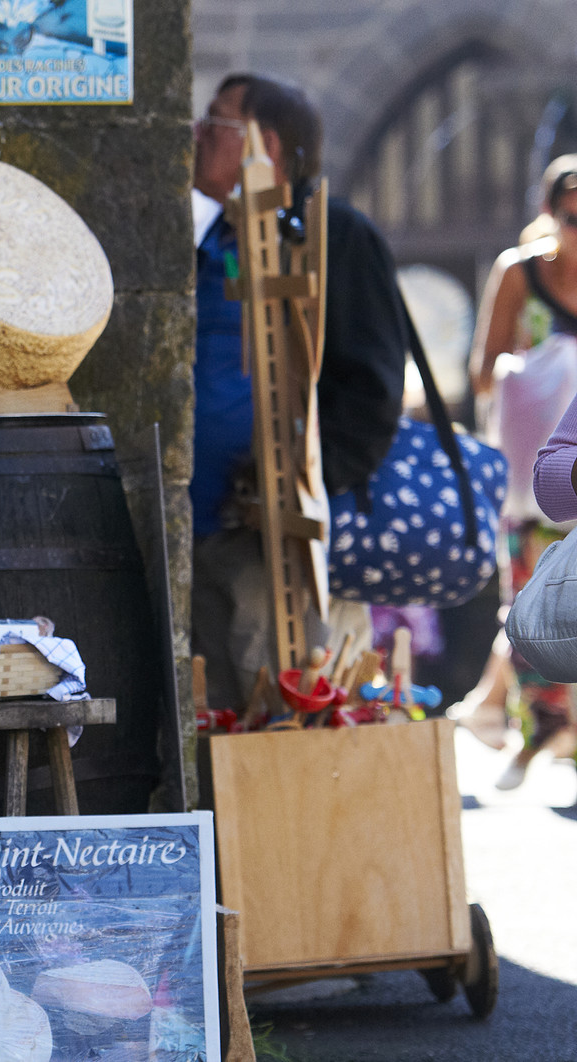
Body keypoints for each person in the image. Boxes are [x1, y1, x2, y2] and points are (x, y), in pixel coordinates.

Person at [190, 74, 408, 711]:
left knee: (291, 717)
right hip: (204, 533)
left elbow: (372, 391)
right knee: (221, 725)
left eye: (215, 122)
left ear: (267, 146)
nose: (197, 134)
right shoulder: (219, 235)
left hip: (284, 550)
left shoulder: (334, 235)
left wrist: (292, 484)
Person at [459, 157, 577, 788]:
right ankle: (540, 728)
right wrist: (539, 370)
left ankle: (500, 709)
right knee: (534, 602)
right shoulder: (518, 273)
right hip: (535, 478)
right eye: (572, 218)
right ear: (550, 214)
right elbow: (482, 373)